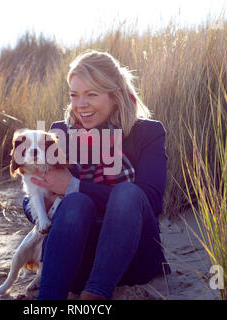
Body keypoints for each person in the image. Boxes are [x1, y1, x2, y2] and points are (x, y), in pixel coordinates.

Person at [26, 50, 171, 300]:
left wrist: (73, 185)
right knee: (75, 204)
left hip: (131, 259)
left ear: (115, 95)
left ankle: (96, 295)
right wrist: (47, 203)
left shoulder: (148, 133)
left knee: (126, 193)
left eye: (91, 94)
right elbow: (31, 199)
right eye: (74, 95)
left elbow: (151, 200)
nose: (81, 105)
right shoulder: (59, 133)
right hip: (74, 260)